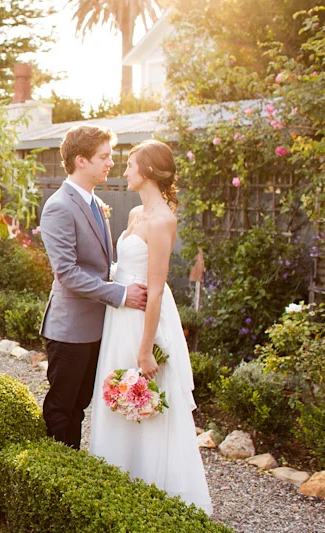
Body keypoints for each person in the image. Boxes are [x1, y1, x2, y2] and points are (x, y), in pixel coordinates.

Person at [88, 139, 212, 514]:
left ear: (150, 172)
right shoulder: (134, 215)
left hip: (145, 321)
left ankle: (154, 487)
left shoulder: (163, 220)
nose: (124, 171)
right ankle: (117, 481)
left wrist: (145, 349)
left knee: (145, 395)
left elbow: (156, 290)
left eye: (130, 165)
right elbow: (122, 269)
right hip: (120, 316)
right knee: (116, 395)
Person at [39, 125, 148, 450]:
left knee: (80, 407)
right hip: (69, 330)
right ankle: (55, 478)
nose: (110, 163)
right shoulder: (59, 206)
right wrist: (121, 294)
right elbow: (68, 274)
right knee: (61, 410)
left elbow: (100, 265)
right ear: (81, 160)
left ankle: (70, 471)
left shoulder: (96, 203)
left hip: (97, 328)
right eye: (104, 157)